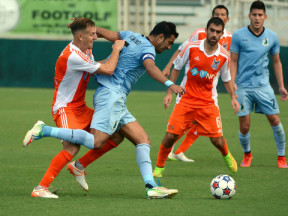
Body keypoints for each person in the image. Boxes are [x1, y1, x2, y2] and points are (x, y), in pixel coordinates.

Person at [23, 21, 186, 199]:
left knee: (141, 139)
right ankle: (44, 131)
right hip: (110, 96)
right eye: (169, 43)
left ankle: (150, 187)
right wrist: (170, 84)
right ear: (160, 37)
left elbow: (99, 31)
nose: (169, 47)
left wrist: (83, 25)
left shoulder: (130, 35)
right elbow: (150, 67)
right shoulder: (148, 49)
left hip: (116, 98)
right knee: (96, 142)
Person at [25, 17, 125, 199]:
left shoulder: (84, 50)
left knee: (117, 134)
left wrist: (116, 58)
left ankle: (79, 166)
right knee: (72, 148)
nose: (96, 37)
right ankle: (40, 187)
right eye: (92, 34)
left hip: (81, 107)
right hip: (65, 109)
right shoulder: (72, 56)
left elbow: (100, 66)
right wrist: (117, 50)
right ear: (80, 36)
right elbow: (108, 70)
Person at [153, 17, 239, 178]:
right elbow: (176, 68)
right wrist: (169, 92)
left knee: (217, 141)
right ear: (206, 30)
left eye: (218, 32)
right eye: (211, 30)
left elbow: (227, 80)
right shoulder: (191, 47)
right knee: (170, 136)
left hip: (208, 103)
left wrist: (233, 98)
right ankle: (159, 168)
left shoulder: (224, 56)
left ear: (222, 34)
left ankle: (226, 154)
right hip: (185, 100)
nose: (214, 34)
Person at [163, 5, 232, 162]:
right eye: (216, 14)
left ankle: (179, 151)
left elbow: (229, 61)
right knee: (186, 123)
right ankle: (173, 149)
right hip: (190, 89)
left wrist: (232, 84)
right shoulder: (199, 34)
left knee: (200, 127)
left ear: (227, 20)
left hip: (209, 93)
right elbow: (180, 51)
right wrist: (168, 67)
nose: (219, 17)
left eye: (222, 15)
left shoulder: (229, 39)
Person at [230, 0, 288, 168]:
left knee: (275, 120)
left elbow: (277, 62)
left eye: (260, 15)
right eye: (254, 15)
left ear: (265, 17)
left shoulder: (272, 37)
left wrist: (281, 86)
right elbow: (233, 61)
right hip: (242, 86)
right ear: (249, 16)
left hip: (263, 86)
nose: (257, 18)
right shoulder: (238, 35)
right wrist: (233, 83)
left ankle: (281, 157)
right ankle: (247, 155)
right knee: (244, 125)